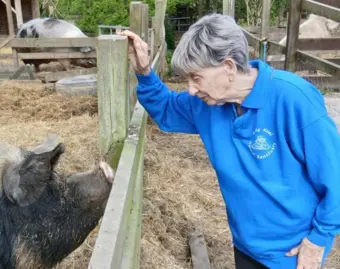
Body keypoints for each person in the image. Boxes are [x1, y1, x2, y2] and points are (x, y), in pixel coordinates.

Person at [118, 13, 340, 269]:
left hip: (291, 253)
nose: (190, 89)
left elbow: (335, 175)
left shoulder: (293, 100)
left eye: (196, 78)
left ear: (229, 67)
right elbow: (166, 108)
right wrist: (144, 72)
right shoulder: (208, 104)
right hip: (245, 244)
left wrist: (318, 239)